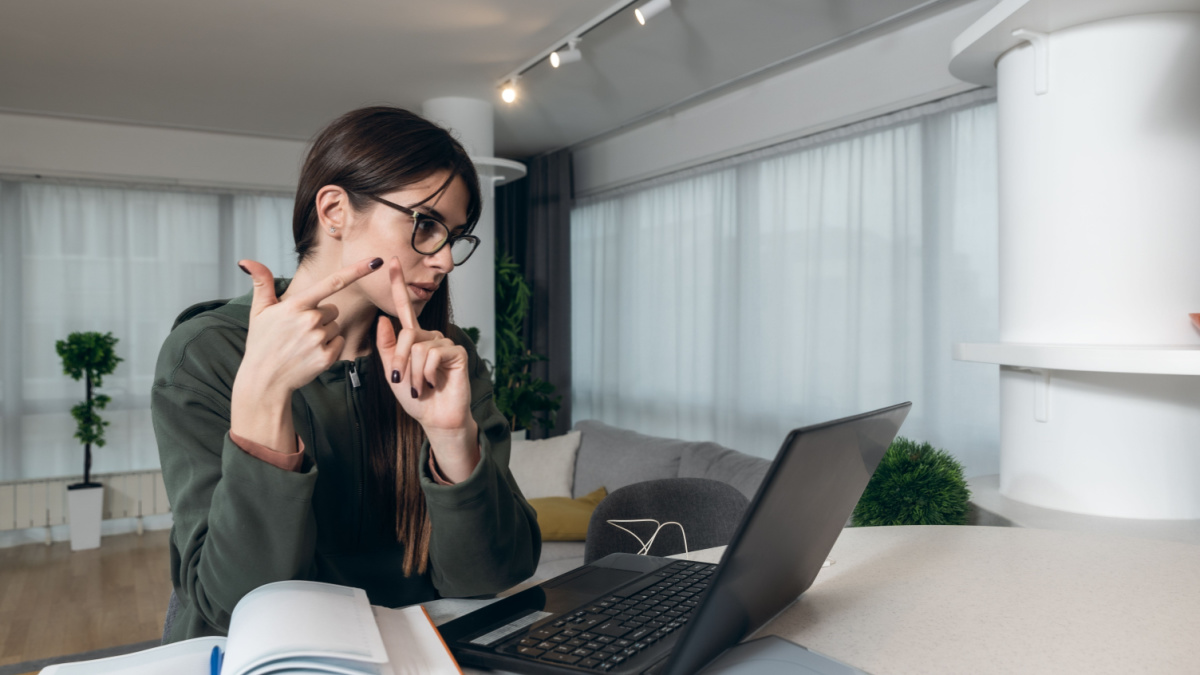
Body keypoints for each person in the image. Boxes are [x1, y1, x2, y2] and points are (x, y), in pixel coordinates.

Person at [152, 106, 540, 642]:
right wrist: (264, 397)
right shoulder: (207, 353)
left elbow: (491, 576)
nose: (447, 259)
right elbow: (233, 603)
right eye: (426, 224)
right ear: (335, 210)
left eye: (454, 235)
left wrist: (452, 439)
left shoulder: (447, 358)